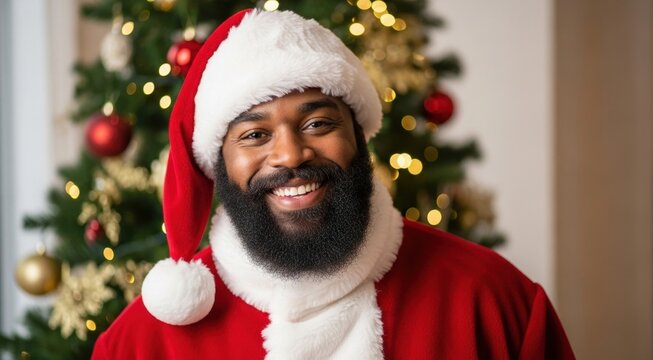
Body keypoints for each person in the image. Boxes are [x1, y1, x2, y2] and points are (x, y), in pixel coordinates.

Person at [92, 8, 574, 359]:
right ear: (218, 163)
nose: (291, 155)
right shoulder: (140, 344)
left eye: (319, 124)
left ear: (358, 137)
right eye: (255, 135)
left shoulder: (494, 301)